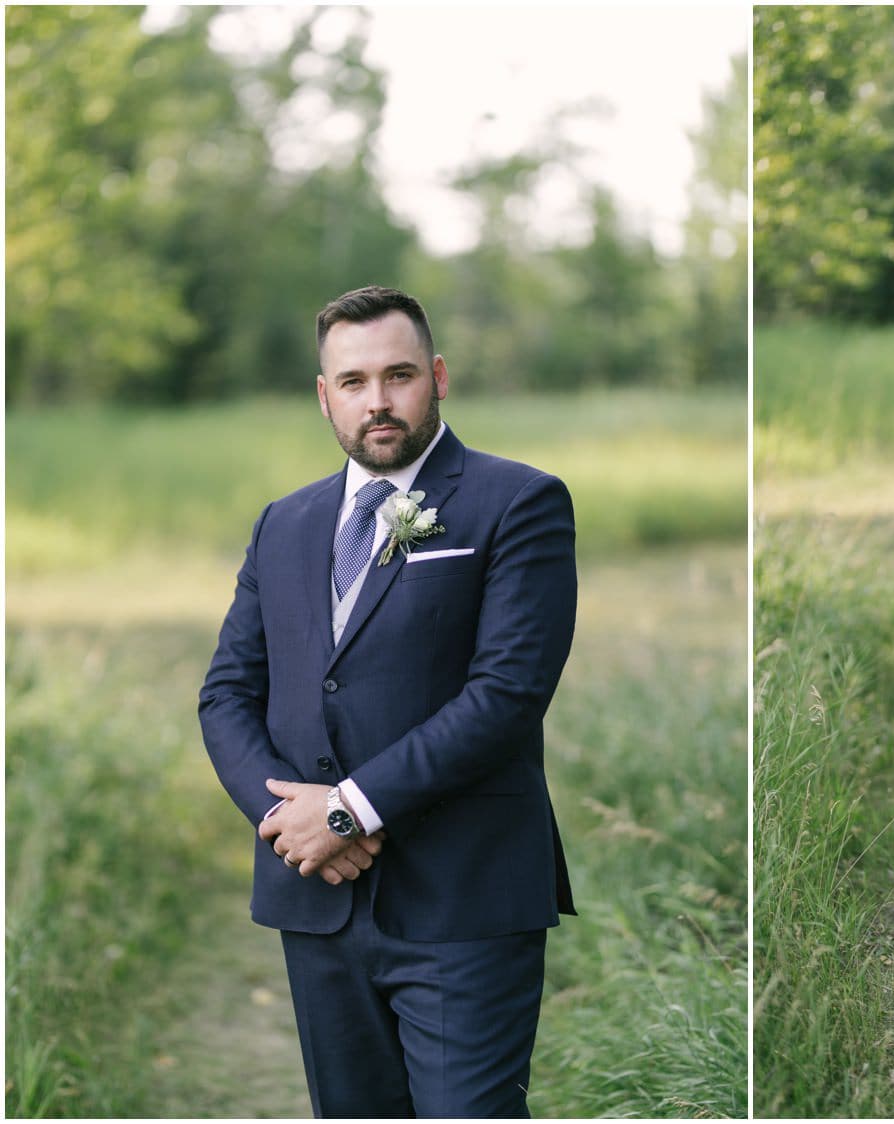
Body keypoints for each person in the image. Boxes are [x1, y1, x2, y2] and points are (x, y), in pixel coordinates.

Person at [199, 285, 577, 1116]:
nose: (379, 400)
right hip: (318, 897)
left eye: (399, 375)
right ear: (324, 395)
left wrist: (347, 812)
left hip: (463, 896)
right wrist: (291, 825)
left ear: (437, 376)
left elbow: (506, 695)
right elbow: (227, 693)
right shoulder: (284, 524)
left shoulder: (518, 501)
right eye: (356, 380)